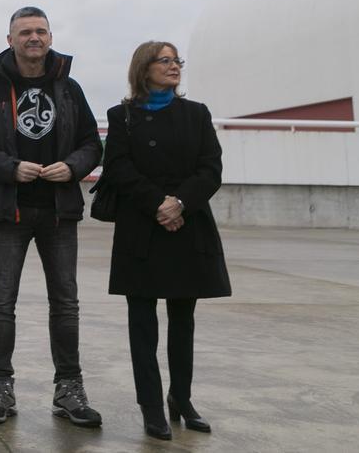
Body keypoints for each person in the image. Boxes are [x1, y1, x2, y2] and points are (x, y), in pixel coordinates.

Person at [0, 6, 103, 428]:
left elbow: (92, 142)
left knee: (66, 303)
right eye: (24, 32)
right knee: (2, 302)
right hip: (9, 210)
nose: (33, 38)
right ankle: (0, 387)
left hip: (59, 211)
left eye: (40, 31)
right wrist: (8, 167)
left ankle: (69, 388)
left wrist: (73, 167)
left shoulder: (69, 88)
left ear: (50, 37)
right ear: (10, 40)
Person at [102, 41, 229, 440]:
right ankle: (151, 406)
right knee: (142, 322)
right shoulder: (121, 117)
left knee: (183, 320)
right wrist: (158, 204)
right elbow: (119, 168)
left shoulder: (196, 114)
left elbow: (211, 168)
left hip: (187, 226)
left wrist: (179, 204)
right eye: (165, 61)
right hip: (142, 228)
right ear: (144, 68)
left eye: (177, 61)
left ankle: (182, 398)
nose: (174, 67)